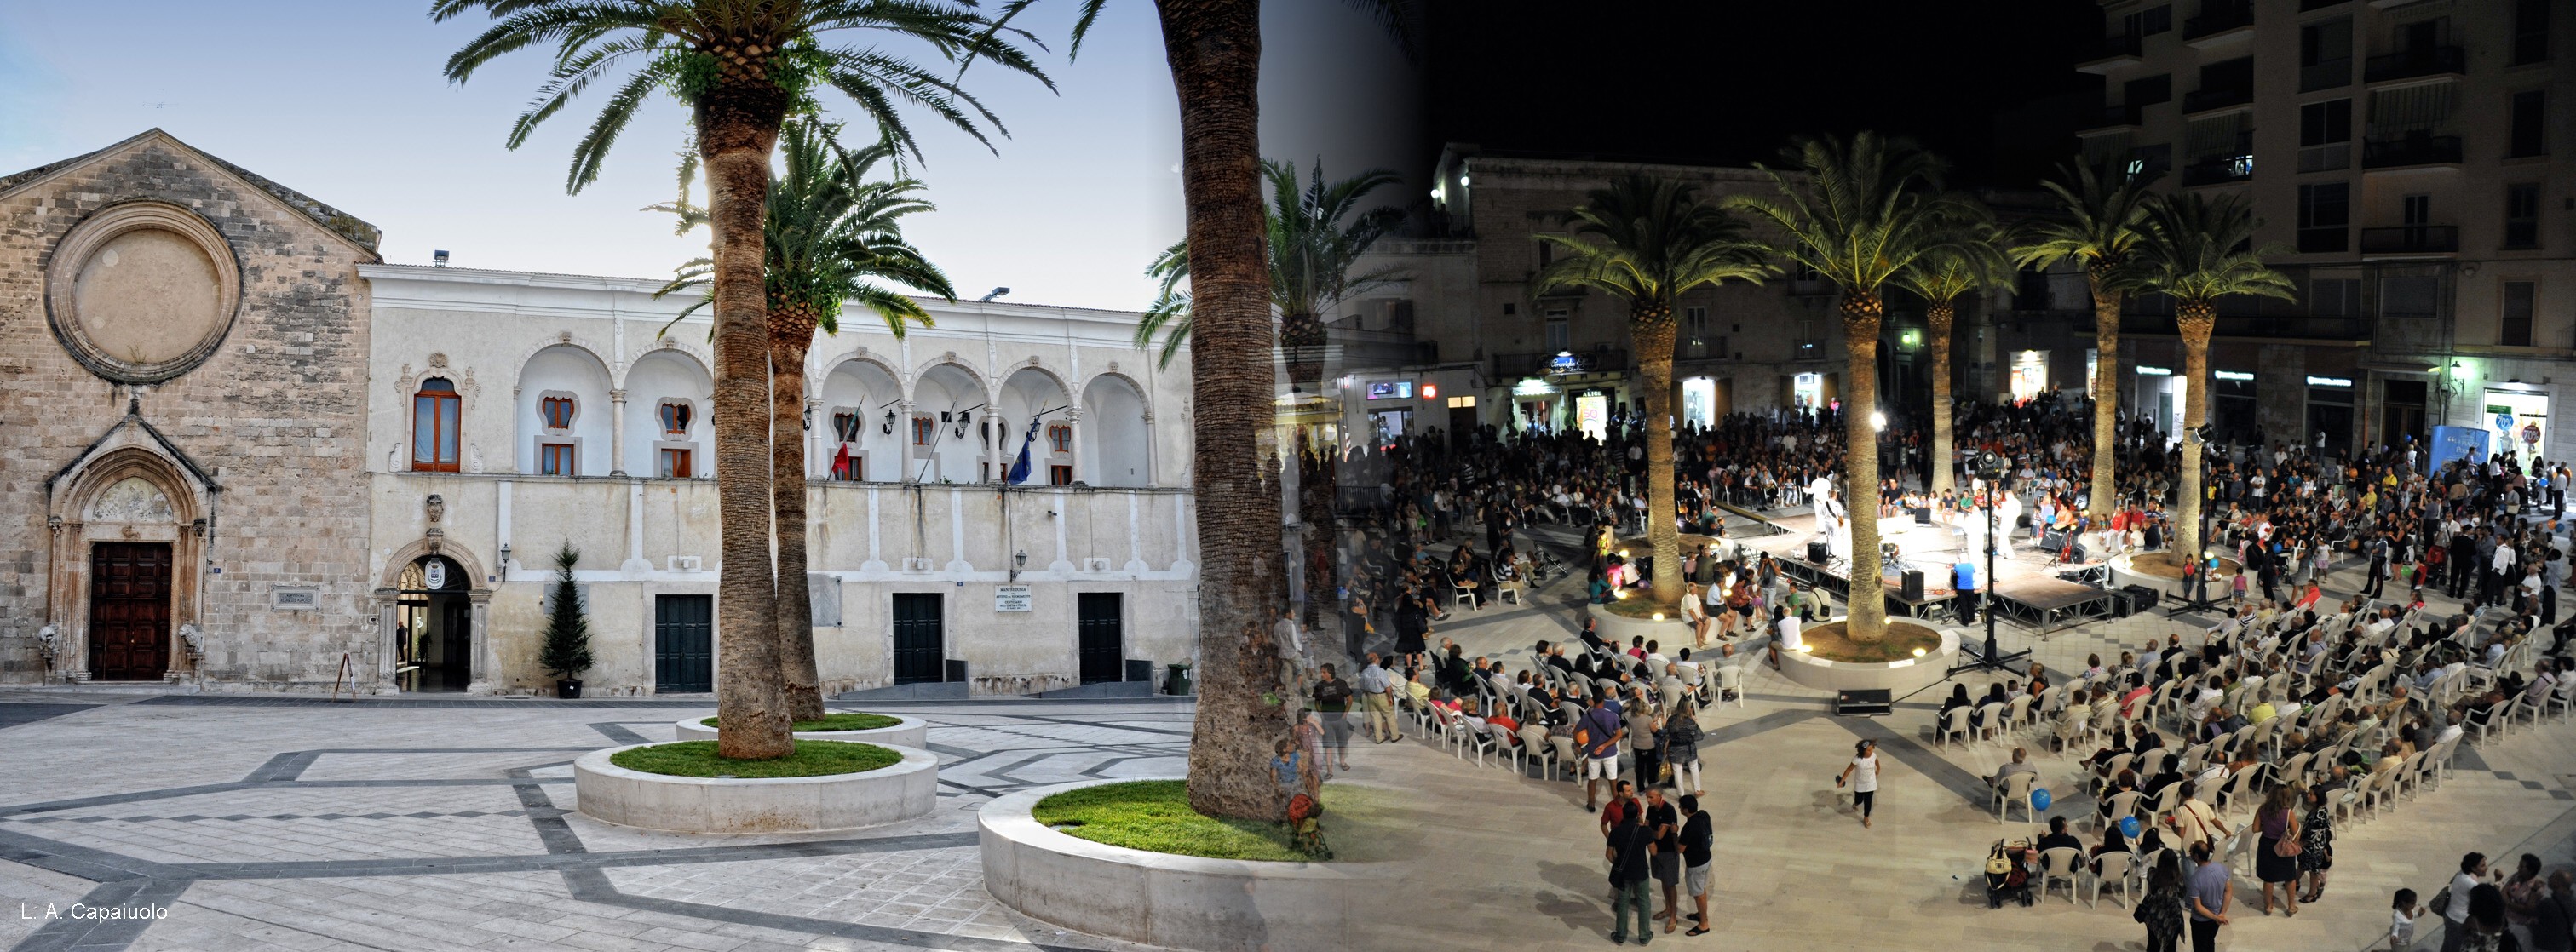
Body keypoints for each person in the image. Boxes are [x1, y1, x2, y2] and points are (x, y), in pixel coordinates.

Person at [1604, 800, 1656, 946]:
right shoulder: (1645, 831)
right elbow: (1653, 851)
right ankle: (1644, 936)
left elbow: (1609, 854)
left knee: (1623, 902)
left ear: (1624, 815)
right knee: (1644, 902)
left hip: (1624, 873)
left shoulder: (1616, 832)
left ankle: (1620, 935)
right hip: (1640, 872)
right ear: (1637, 816)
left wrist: (1618, 863)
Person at [2254, 783, 2303, 916]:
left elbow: (2255, 829)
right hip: (2284, 846)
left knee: (2269, 878)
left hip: (2266, 845)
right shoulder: (2288, 813)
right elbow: (2296, 835)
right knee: (2289, 877)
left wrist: (2267, 827)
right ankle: (2291, 906)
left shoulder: (2262, 809)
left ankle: (2269, 906)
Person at [1643, 788, 1682, 935]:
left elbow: (1659, 835)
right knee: (1663, 881)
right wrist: (1650, 830)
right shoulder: (1651, 808)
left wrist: (1649, 831)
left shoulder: (1668, 810)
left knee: (1670, 883)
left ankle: (1673, 916)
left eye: (1651, 797)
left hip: (1668, 852)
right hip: (1655, 851)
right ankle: (1668, 908)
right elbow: (1647, 825)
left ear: (1660, 796)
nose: (1648, 800)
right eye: (1647, 797)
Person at [1578, 694, 1625, 813]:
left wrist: (1577, 746)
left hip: (1593, 752)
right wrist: (1604, 745)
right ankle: (1617, 805)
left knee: (1592, 780)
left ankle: (1591, 803)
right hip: (1609, 752)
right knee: (1613, 780)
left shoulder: (1587, 716)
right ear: (1603, 701)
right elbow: (1618, 735)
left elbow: (1576, 732)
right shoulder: (1612, 716)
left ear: (1592, 701)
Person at [1678, 794, 1713, 938]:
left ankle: (1704, 923)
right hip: (1707, 859)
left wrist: (1675, 835)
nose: (1679, 808)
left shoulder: (1688, 827)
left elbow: (1680, 849)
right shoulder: (1704, 815)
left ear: (1685, 810)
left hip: (1696, 865)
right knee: (1701, 889)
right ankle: (1701, 914)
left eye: (1681, 806)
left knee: (1698, 894)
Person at [2188, 841, 2231, 952]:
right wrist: (2221, 914)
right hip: (2216, 918)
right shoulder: (2221, 868)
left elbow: (2198, 907)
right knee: (2210, 942)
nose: (2190, 853)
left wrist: (2216, 917)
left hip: (2200, 921)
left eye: (2191, 851)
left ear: (2196, 856)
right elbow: (2229, 891)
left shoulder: (2195, 879)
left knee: (2200, 947)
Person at [1310, 664, 1354, 772]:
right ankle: (1330, 770)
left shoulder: (1341, 683)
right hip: (1327, 720)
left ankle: (1342, 762)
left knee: (1342, 742)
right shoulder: (1319, 686)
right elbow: (1317, 702)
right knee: (1328, 745)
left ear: (1330, 673)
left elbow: (1349, 699)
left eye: (1324, 672)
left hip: (1340, 718)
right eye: (1321, 672)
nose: (1322, 674)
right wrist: (1322, 716)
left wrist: (1344, 715)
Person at [2139, 857, 2188, 952]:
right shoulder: (2179, 879)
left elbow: (2151, 889)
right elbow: (2182, 895)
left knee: (2152, 944)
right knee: (2171, 946)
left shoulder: (2152, 873)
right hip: (2173, 916)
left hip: (2154, 914)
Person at [2298, 781, 2336, 904]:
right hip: (2310, 847)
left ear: (2318, 797)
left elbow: (2314, 834)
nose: (2308, 796)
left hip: (2313, 848)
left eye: (2311, 794)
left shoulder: (2320, 814)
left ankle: (2312, 894)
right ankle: (2294, 881)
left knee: (2313, 872)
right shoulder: (2318, 809)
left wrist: (2302, 843)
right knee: (2302, 865)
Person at [2447, 852, 2488, 952]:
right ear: (2473, 868)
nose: (2486, 867)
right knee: (2456, 948)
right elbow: (2484, 902)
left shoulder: (2461, 874)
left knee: (2448, 945)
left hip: (2450, 915)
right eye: (2482, 865)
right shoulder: (2472, 884)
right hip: (2460, 921)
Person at [1836, 738, 1882, 829]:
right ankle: (1856, 803)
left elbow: (1877, 762)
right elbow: (1849, 769)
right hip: (1860, 784)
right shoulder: (1857, 759)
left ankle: (1866, 818)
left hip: (1870, 783)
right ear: (1863, 750)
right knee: (1859, 800)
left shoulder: (1873, 756)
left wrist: (1878, 769)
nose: (1871, 752)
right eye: (1869, 750)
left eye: (1872, 749)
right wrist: (1842, 781)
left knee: (1868, 802)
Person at [1664, 700, 1705, 797]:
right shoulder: (1689, 721)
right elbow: (1699, 736)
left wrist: (1665, 747)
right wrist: (1694, 721)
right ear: (1688, 708)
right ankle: (1697, 790)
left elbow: (1666, 734)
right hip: (1688, 748)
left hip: (1674, 748)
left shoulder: (1671, 720)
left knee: (1678, 771)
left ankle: (1681, 795)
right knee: (1693, 767)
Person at [1356, 653, 1399, 743]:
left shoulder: (1365, 672)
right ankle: (1395, 736)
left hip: (1370, 696)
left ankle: (1379, 738)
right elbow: (1387, 686)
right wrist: (1390, 697)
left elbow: (1362, 686)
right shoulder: (1380, 671)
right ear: (1375, 659)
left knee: (1375, 717)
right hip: (1382, 696)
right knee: (1389, 715)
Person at [2392, 888, 2424, 952]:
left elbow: (2413, 916)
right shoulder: (2397, 915)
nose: (2415, 905)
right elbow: (2395, 927)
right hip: (2400, 942)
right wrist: (2394, 936)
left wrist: (2419, 914)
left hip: (2407, 939)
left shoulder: (2410, 910)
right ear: (2404, 903)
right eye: (2412, 903)